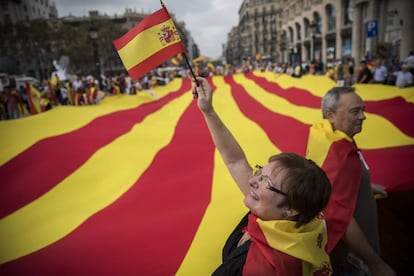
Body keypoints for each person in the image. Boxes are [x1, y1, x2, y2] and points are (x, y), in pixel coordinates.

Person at [193, 77, 333, 275]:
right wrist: (208, 111)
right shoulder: (287, 220)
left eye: (264, 182)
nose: (251, 181)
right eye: (259, 172)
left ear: (291, 209)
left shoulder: (264, 268)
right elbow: (236, 161)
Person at [306, 87, 396, 276]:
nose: (363, 116)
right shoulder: (339, 156)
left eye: (363, 109)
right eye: (355, 111)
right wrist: (376, 264)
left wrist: (365, 185)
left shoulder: (326, 135)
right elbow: (341, 217)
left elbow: (333, 183)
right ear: (330, 115)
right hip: (357, 258)